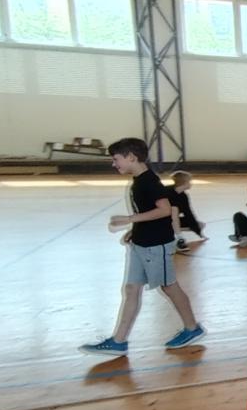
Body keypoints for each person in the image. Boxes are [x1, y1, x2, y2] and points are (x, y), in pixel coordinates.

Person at [79, 137, 205, 355]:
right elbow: (147, 212)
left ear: (131, 157)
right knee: (131, 289)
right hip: (141, 243)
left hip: (156, 245)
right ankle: (119, 341)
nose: (114, 164)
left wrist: (130, 220)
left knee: (169, 287)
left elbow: (164, 210)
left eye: (116, 159)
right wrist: (134, 230)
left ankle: (192, 328)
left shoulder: (149, 182)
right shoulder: (138, 181)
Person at [167, 170, 206, 253]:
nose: (191, 183)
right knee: (174, 210)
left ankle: (171, 230)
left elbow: (188, 214)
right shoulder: (166, 191)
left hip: (171, 221)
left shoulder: (183, 196)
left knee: (200, 225)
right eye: (189, 181)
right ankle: (179, 238)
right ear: (184, 182)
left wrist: (198, 232)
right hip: (159, 219)